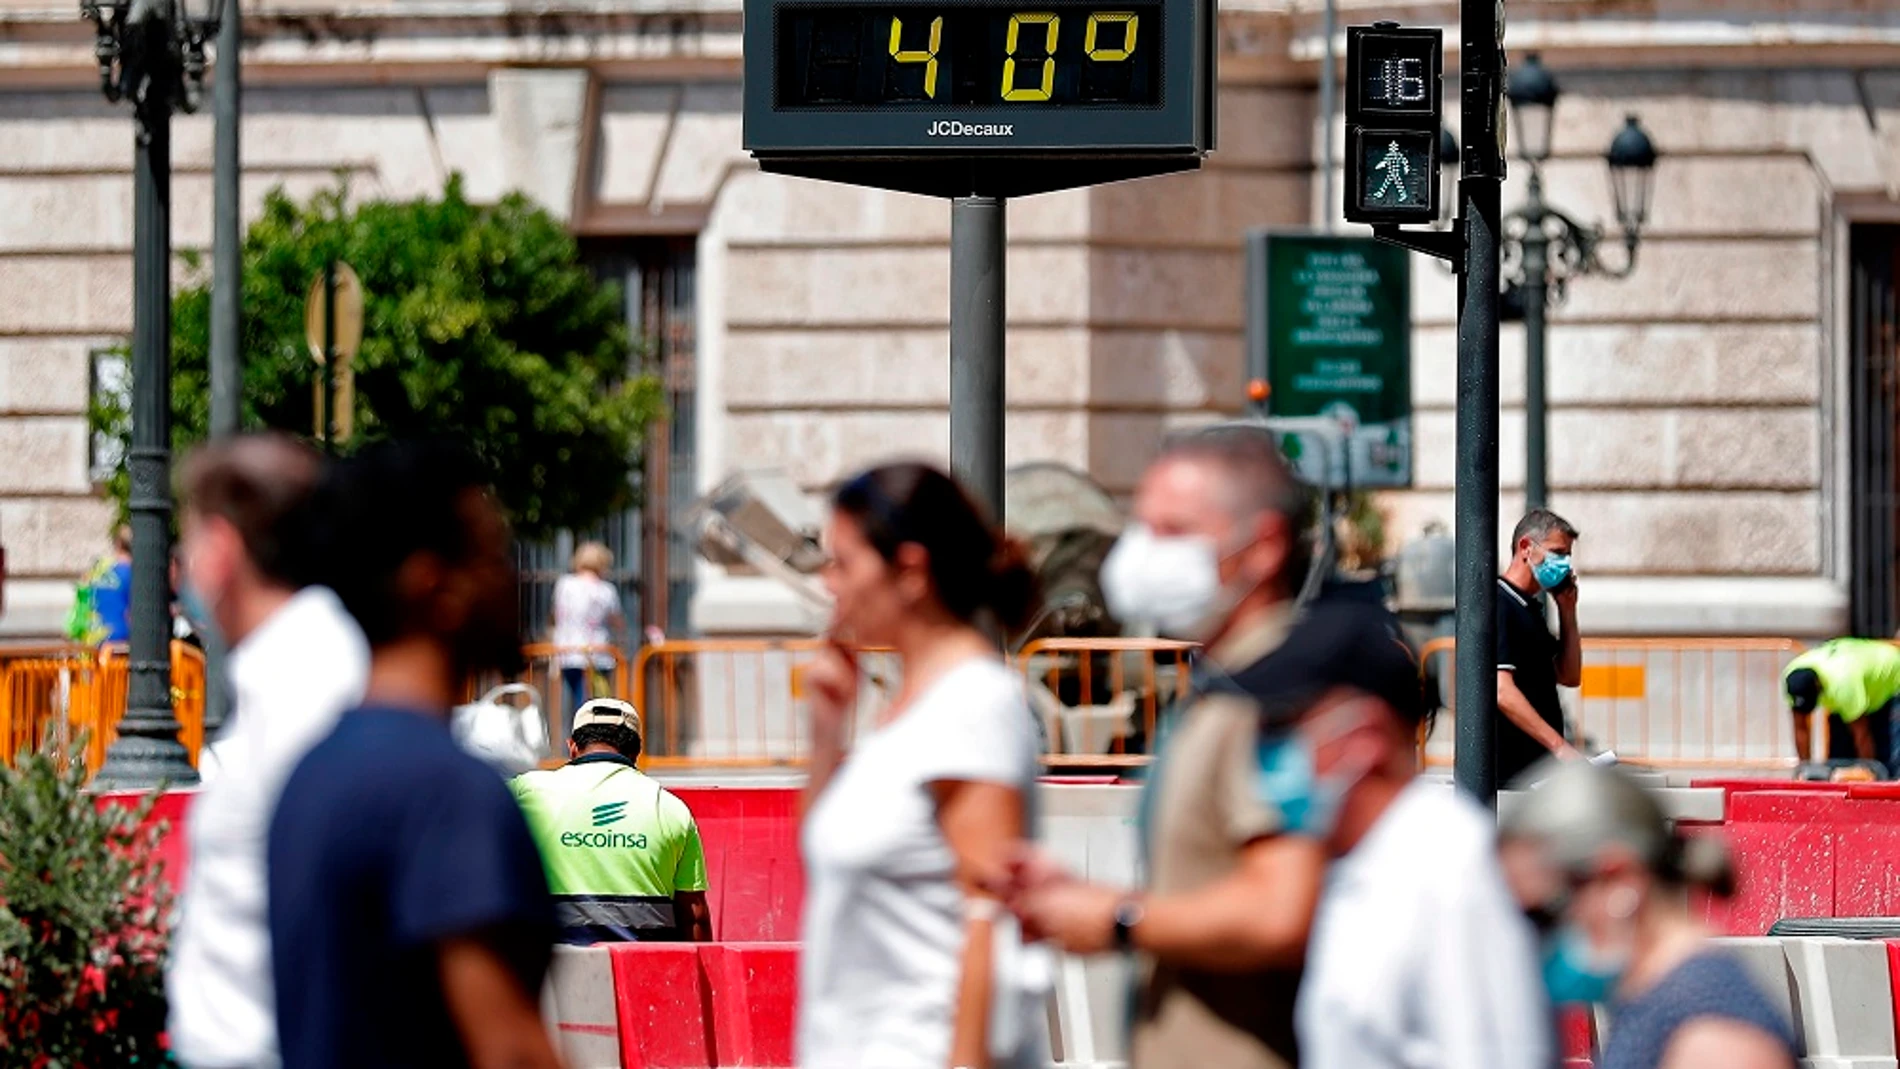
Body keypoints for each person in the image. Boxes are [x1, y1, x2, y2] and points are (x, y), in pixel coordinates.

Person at [998, 426, 1324, 1069]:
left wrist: (1117, 920)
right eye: (1141, 531)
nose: (1142, 556)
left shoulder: (1279, 695)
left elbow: (1283, 908)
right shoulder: (1222, 687)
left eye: (1173, 532)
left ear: (1260, 548)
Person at [267, 440, 560, 1069]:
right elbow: (511, 1052)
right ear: (436, 586)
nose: (511, 578)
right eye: (490, 553)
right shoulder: (447, 790)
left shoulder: (311, 776)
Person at [798, 461, 1048, 1069]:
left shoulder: (972, 709)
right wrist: (827, 732)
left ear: (909, 570)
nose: (829, 584)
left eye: (843, 562)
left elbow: (987, 926)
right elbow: (820, 850)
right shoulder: (911, 709)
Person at [1266, 600, 1551, 1069]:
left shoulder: (1450, 876)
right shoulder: (1353, 861)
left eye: (1283, 731)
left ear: (1364, 739)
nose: (1266, 755)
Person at [165, 435, 370, 1069]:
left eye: (188, 544)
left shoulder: (307, 684)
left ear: (222, 550)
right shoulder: (286, 671)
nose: (183, 568)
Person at [1500, 760, 1799, 1069]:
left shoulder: (1714, 1037)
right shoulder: (1653, 1000)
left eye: (1541, 915)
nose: (1536, 938)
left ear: (1618, 878)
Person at [511, 696, 713, 944]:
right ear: (636, 751)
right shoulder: (671, 808)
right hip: (642, 975)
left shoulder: (525, 791)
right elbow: (695, 916)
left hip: (548, 974)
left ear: (572, 746)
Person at [1496, 508, 1584, 786]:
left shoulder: (1530, 609)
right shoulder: (1499, 603)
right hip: (1512, 771)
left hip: (1536, 770)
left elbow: (1569, 676)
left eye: (1567, 556)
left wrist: (1567, 611)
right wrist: (1558, 746)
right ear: (1526, 547)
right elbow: (1501, 689)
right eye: (1557, 552)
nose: (1564, 564)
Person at [1782, 638, 1900, 772]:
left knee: (1889, 759)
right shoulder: (1790, 677)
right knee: (1839, 760)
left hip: (1892, 674)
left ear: (1818, 686)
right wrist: (1805, 769)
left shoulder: (1843, 684)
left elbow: (1862, 734)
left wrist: (1870, 773)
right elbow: (1800, 727)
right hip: (1858, 682)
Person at [550, 540, 625, 738]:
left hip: (568, 650)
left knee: (575, 700)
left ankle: (573, 741)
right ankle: (592, 741)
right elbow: (617, 620)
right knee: (596, 703)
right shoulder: (605, 590)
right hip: (598, 651)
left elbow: (557, 615)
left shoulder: (564, 584)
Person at [68, 523, 133, 645]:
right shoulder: (133, 573)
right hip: (120, 639)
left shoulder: (97, 570)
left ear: (117, 544)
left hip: (93, 636)